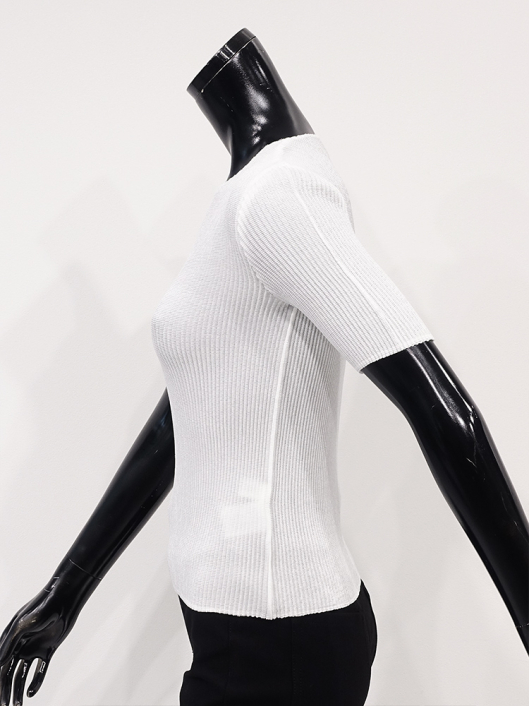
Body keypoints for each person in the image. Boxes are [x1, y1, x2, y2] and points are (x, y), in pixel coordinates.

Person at [0, 27, 527, 706]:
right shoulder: (244, 196)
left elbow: (444, 412)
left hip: (278, 645)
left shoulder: (282, 198)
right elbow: (188, 415)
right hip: (239, 632)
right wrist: (65, 592)